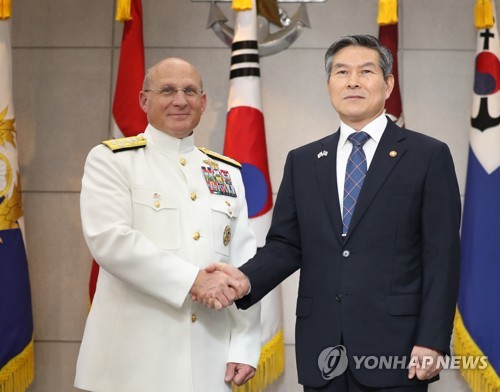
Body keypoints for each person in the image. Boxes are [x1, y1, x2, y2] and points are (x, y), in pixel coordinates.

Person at [199, 35, 461, 391]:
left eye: (365, 71)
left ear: (387, 84)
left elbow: (441, 256)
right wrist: (243, 279)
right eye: (342, 72)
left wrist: (432, 339)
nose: (352, 81)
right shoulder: (303, 161)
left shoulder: (427, 155)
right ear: (329, 85)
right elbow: (286, 246)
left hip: (397, 350)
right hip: (322, 349)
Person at [75, 57, 260, 392]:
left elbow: (243, 262)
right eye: (168, 90)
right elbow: (110, 241)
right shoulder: (112, 161)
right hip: (131, 363)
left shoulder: (227, 173)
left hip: (209, 359)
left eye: (190, 91)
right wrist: (193, 280)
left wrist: (245, 345)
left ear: (203, 103)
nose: (180, 100)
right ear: (144, 100)